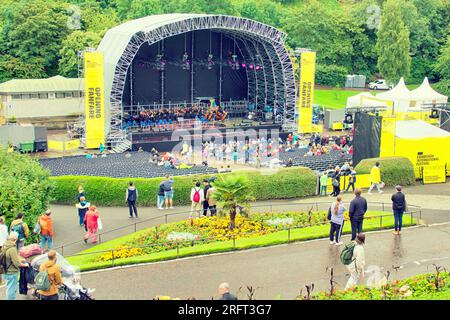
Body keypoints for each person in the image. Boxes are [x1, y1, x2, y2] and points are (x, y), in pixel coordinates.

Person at [1, 232, 29, 300]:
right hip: (12, 272)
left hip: (6, 270)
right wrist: (25, 264)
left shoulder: (5, 245)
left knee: (8, 288)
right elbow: (17, 263)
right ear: (16, 238)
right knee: (12, 291)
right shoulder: (12, 248)